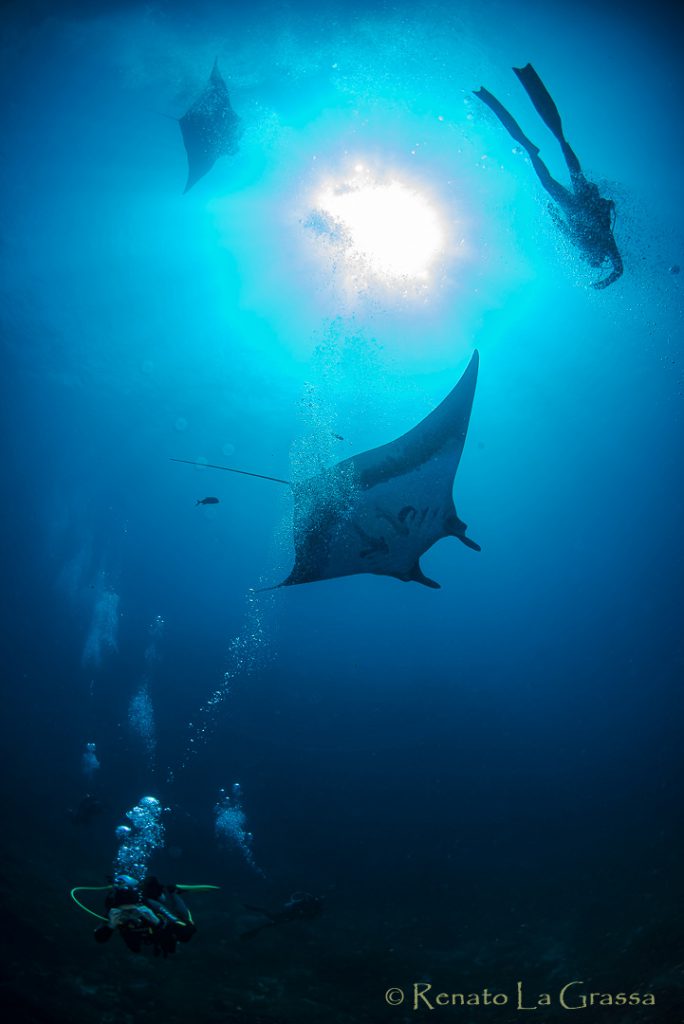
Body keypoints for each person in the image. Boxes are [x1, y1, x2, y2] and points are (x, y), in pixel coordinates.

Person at [475, 63, 623, 289]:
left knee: (547, 182)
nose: (587, 257)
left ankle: (532, 149)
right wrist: (605, 282)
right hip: (587, 203)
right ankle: (559, 141)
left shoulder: (581, 245)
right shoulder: (606, 243)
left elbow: (564, 230)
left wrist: (554, 215)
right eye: (592, 259)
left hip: (574, 208)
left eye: (587, 260)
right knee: (573, 172)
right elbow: (619, 269)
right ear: (599, 257)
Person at [93, 874, 196, 956]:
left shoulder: (150, 906)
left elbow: (187, 931)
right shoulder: (113, 914)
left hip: (158, 931)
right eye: (123, 913)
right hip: (142, 942)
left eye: (132, 911)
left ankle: (174, 892)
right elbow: (99, 938)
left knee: (179, 931)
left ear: (140, 907)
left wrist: (158, 922)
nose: (129, 917)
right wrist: (110, 926)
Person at [240, 891, 324, 940]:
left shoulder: (312, 906)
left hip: (290, 916)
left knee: (272, 921)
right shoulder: (309, 904)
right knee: (272, 918)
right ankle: (251, 909)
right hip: (289, 914)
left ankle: (252, 930)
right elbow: (301, 911)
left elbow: (308, 916)